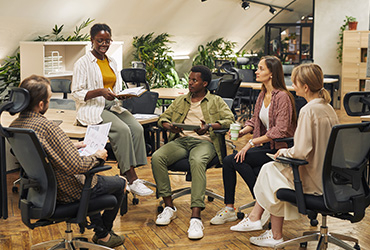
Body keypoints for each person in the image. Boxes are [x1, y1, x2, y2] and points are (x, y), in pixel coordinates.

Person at [11, 75, 126, 248]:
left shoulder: (17, 125)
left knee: (90, 186)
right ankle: (104, 235)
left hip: (41, 191)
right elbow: (76, 166)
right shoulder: (47, 126)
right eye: (49, 99)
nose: (49, 103)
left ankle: (100, 231)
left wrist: (72, 145)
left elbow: (40, 149)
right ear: (41, 104)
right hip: (67, 189)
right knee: (120, 183)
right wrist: (98, 156)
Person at [239, 63, 339, 248]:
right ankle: (261, 221)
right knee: (271, 171)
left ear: (305, 87)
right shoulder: (328, 108)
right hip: (329, 177)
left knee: (269, 172)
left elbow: (300, 152)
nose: (293, 86)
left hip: (314, 178)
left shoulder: (309, 110)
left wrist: (284, 151)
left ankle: (268, 228)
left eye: (295, 82)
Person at [210, 56, 297, 228]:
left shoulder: (282, 97)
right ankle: (236, 208)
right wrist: (243, 131)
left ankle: (260, 204)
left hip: (279, 150)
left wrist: (251, 143)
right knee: (236, 161)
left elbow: (280, 130)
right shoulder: (263, 94)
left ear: (272, 73)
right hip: (265, 147)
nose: (256, 71)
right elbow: (255, 120)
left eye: (261, 68)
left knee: (232, 160)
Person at [151, 65, 234, 239]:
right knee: (157, 157)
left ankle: (196, 216)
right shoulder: (181, 100)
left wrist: (209, 126)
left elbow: (229, 120)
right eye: (189, 79)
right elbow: (163, 118)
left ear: (204, 83)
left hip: (205, 142)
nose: (190, 83)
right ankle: (169, 207)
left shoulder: (215, 101)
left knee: (197, 161)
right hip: (181, 141)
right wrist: (169, 126)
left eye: (194, 80)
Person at [72, 23, 153, 196]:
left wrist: (122, 95)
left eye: (108, 41)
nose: (104, 44)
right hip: (93, 107)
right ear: (92, 40)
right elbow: (77, 93)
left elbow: (114, 88)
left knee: (137, 128)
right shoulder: (83, 63)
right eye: (100, 40)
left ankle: (128, 172)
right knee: (122, 130)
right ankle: (132, 178)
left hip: (112, 104)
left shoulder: (112, 61)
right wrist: (100, 92)